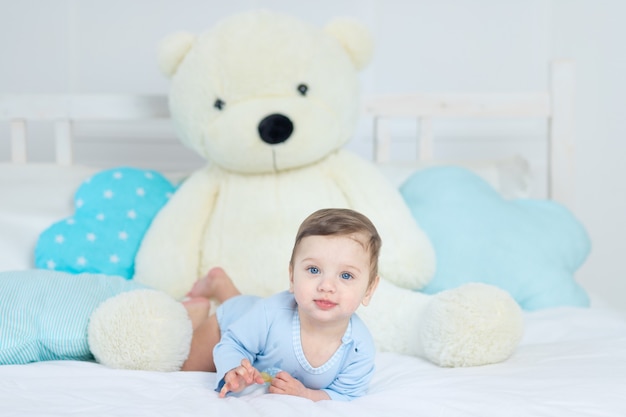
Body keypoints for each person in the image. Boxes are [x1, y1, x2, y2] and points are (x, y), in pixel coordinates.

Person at [180, 208, 381, 401]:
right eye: (313, 270)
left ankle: (221, 285)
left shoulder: (359, 348)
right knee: (186, 369)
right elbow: (234, 343)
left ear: (369, 289)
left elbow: (345, 395)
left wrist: (307, 395)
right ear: (292, 277)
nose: (326, 286)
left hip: (254, 313)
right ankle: (198, 313)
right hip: (228, 323)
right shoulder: (270, 314)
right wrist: (233, 370)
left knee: (252, 311)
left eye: (346, 275)